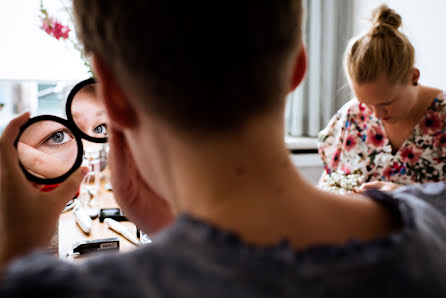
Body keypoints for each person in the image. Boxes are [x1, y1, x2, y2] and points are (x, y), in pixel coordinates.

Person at [1, 1, 446, 297]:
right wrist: (174, 227)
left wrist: (17, 251)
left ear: (113, 96)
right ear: (298, 67)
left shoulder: (67, 289)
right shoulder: (434, 219)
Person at [318, 5, 446, 188]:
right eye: (366, 103)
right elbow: (329, 186)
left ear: (413, 77)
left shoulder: (442, 118)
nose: (376, 115)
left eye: (386, 102)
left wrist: (402, 196)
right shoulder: (352, 116)